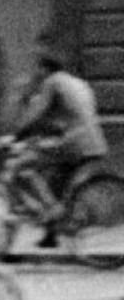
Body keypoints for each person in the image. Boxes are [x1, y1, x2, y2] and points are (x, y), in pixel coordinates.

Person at [11, 48, 109, 239]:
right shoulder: (78, 83)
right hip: (95, 142)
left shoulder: (52, 81)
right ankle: (52, 233)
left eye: (38, 68)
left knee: (23, 167)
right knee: (57, 179)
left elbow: (36, 112)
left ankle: (55, 212)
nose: (36, 73)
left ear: (45, 68)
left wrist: (17, 132)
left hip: (76, 142)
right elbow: (71, 114)